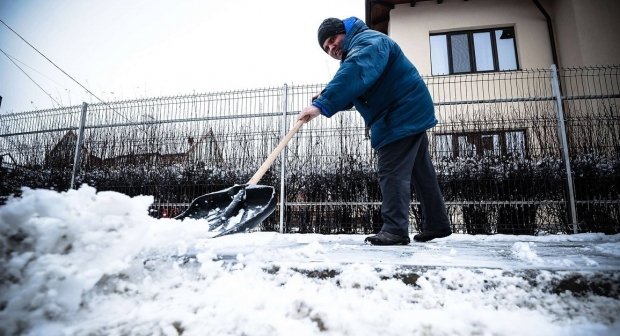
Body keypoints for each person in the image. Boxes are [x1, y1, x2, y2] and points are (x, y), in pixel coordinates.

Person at [297, 17, 452, 245]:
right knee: (421, 172)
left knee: (391, 171)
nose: (332, 48)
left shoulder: (368, 42)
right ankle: (437, 224)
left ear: (344, 32)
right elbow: (357, 87)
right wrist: (326, 96)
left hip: (400, 113)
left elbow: (357, 71)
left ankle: (395, 230)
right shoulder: (359, 49)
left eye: (332, 40)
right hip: (408, 111)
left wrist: (323, 103)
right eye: (326, 48)